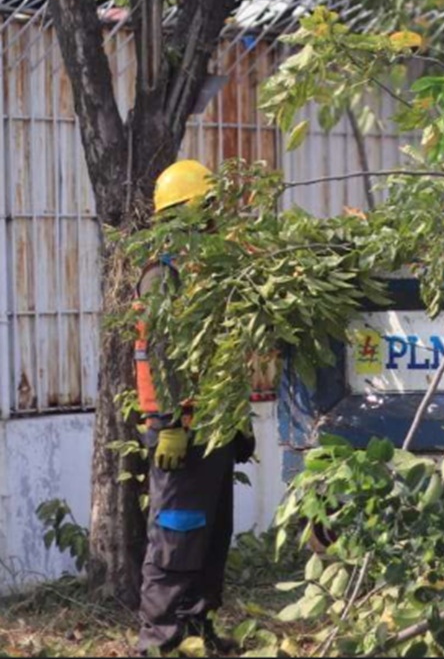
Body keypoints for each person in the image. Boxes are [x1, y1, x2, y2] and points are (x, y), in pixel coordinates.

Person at [136, 159, 254, 656]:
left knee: (209, 538)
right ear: (185, 215)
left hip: (213, 429)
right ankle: (159, 642)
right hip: (179, 432)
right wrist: (168, 424)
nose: (216, 221)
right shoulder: (164, 276)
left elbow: (223, 355)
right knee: (175, 540)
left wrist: (237, 423)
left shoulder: (209, 271)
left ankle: (196, 634)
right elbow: (162, 353)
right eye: (208, 211)